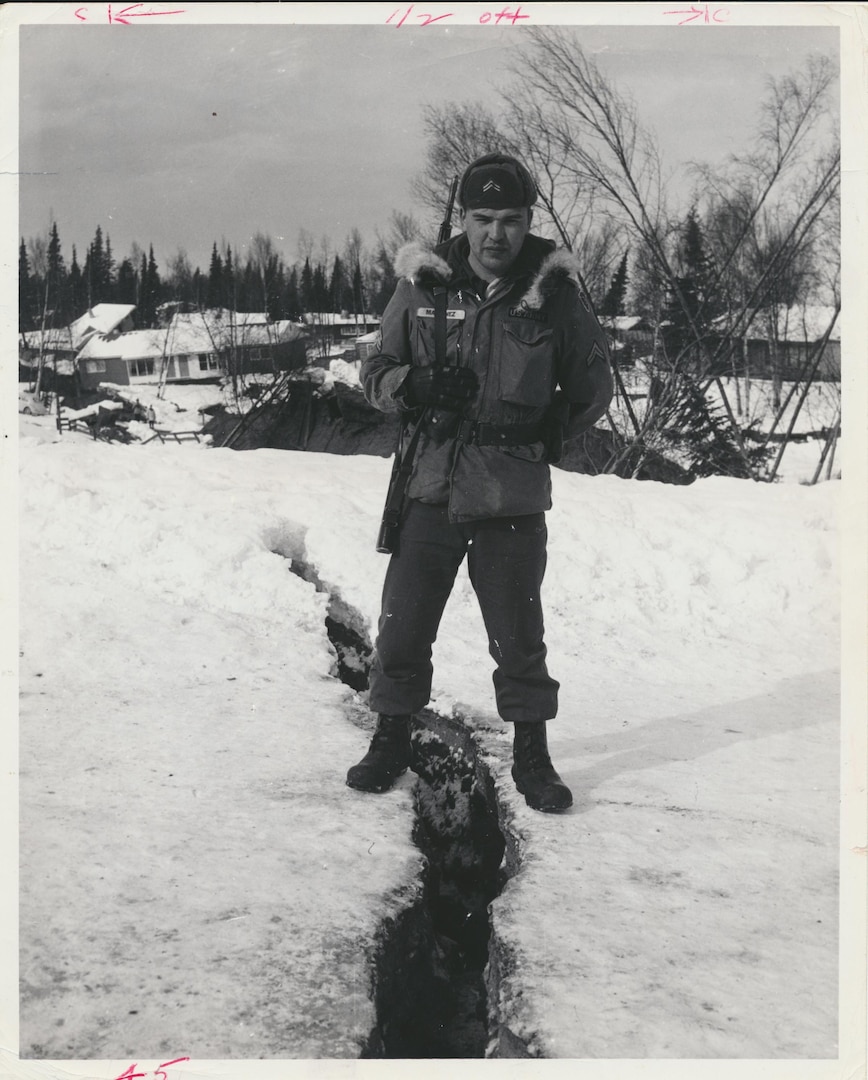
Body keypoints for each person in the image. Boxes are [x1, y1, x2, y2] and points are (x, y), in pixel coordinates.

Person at [347, 152, 614, 812]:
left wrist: (544, 435)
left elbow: (591, 387)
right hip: (430, 487)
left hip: (510, 494)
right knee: (403, 626)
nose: (497, 234)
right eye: (483, 218)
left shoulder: (552, 297)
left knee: (519, 636)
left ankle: (532, 754)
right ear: (462, 219)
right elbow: (375, 370)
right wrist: (413, 385)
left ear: (530, 223)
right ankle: (390, 738)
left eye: (512, 220)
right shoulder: (423, 286)